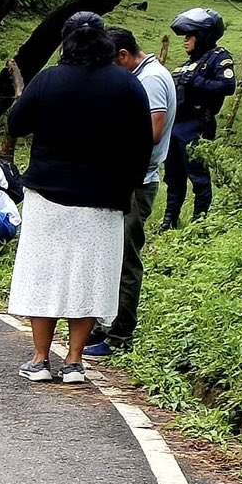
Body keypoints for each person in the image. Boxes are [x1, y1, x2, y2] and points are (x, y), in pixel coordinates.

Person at [4, 12, 152, 385]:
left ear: (66, 42)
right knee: (90, 276)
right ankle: (74, 362)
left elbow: (16, 124)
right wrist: (127, 188)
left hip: (49, 197)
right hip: (103, 200)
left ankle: (40, 360)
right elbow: (141, 146)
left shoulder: (49, 80)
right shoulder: (128, 86)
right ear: (104, 41)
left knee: (45, 275)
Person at [84, 27, 173, 360]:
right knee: (114, 254)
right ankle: (104, 326)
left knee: (125, 258)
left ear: (123, 55)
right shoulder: (148, 74)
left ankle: (120, 332)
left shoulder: (149, 80)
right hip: (131, 178)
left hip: (139, 180)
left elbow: (152, 131)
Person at [163, 8, 236, 229]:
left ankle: (199, 222)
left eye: (190, 36)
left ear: (203, 36)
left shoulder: (218, 57)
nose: (185, 41)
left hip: (198, 124)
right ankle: (169, 220)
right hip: (176, 125)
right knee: (173, 176)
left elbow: (227, 85)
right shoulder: (185, 64)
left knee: (198, 176)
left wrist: (196, 82)